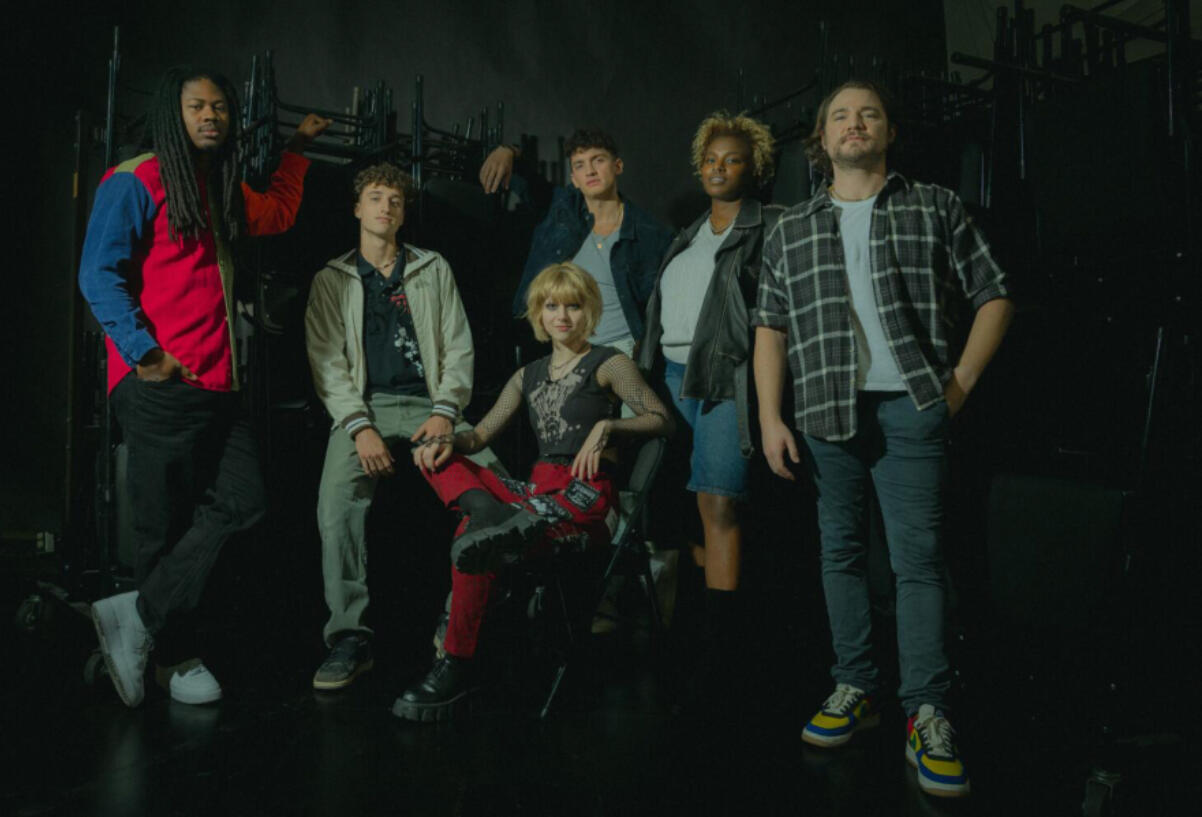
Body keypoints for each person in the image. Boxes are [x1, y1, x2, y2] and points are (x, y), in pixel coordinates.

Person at [753, 80, 1014, 797]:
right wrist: (771, 417)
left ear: (888, 132)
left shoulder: (932, 204)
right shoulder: (792, 227)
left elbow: (994, 293)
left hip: (911, 407)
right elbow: (769, 328)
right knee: (839, 553)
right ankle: (854, 686)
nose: (854, 123)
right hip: (824, 411)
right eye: (839, 114)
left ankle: (927, 710)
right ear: (822, 138)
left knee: (917, 562)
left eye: (868, 113)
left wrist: (955, 384)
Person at [79, 65, 329, 707]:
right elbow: (97, 274)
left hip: (219, 385)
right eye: (197, 106)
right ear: (174, 111)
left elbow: (273, 215)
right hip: (163, 383)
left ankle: (138, 618)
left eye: (219, 106)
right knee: (160, 529)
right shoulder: (136, 176)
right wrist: (146, 355)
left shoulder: (214, 183)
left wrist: (295, 151)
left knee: (245, 503)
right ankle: (170, 661)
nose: (211, 116)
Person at [391, 262, 673, 721]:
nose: (563, 316)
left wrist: (608, 425)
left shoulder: (610, 363)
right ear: (539, 315)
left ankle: (456, 665)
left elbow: (662, 419)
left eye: (574, 306)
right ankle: (486, 512)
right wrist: (443, 438)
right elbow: (478, 438)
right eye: (552, 306)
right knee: (438, 456)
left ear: (590, 312)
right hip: (534, 495)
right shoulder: (528, 374)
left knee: (475, 538)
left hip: (585, 497)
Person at [304, 162, 503, 691]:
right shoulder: (331, 278)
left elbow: (459, 345)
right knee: (335, 503)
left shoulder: (432, 267)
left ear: (402, 212)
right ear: (357, 208)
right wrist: (358, 426)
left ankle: (456, 621)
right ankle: (350, 636)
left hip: (429, 406)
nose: (385, 207)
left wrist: (444, 410)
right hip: (362, 409)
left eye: (394, 200)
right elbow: (327, 364)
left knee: (498, 489)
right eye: (375, 197)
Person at [636, 112, 780, 703]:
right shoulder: (689, 233)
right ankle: (698, 631)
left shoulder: (770, 226)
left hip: (725, 376)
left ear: (756, 168)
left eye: (733, 159)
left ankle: (724, 654)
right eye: (711, 160)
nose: (720, 168)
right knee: (686, 507)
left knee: (720, 502)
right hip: (669, 377)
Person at [480, 130, 672, 359]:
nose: (590, 171)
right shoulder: (560, 208)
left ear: (618, 166)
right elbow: (525, 180)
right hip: (560, 350)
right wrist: (507, 150)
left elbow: (657, 309)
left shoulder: (650, 234)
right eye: (580, 165)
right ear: (574, 178)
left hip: (619, 351)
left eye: (598, 160)